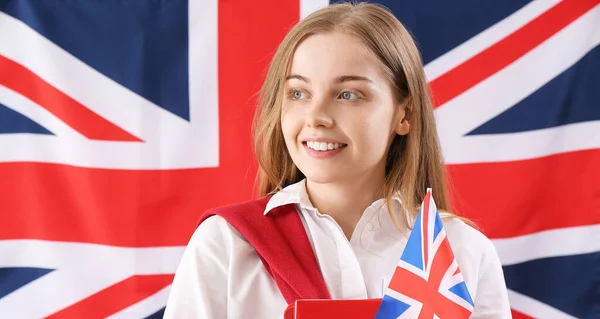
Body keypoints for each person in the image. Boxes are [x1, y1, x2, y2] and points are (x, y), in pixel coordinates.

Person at [163, 2, 511, 318]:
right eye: (299, 93)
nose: (316, 117)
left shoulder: (462, 252)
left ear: (404, 114)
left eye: (348, 94)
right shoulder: (225, 247)